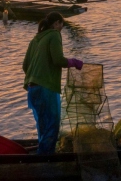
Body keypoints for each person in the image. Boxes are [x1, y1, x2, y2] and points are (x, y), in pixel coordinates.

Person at [22, 12, 83, 155]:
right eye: (61, 24)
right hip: (46, 88)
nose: (62, 27)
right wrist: (73, 62)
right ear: (56, 24)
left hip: (32, 88)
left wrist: (36, 76)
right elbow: (58, 60)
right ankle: (46, 159)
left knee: (42, 124)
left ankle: (42, 154)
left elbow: (25, 66)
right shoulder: (54, 35)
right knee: (53, 124)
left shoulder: (35, 39)